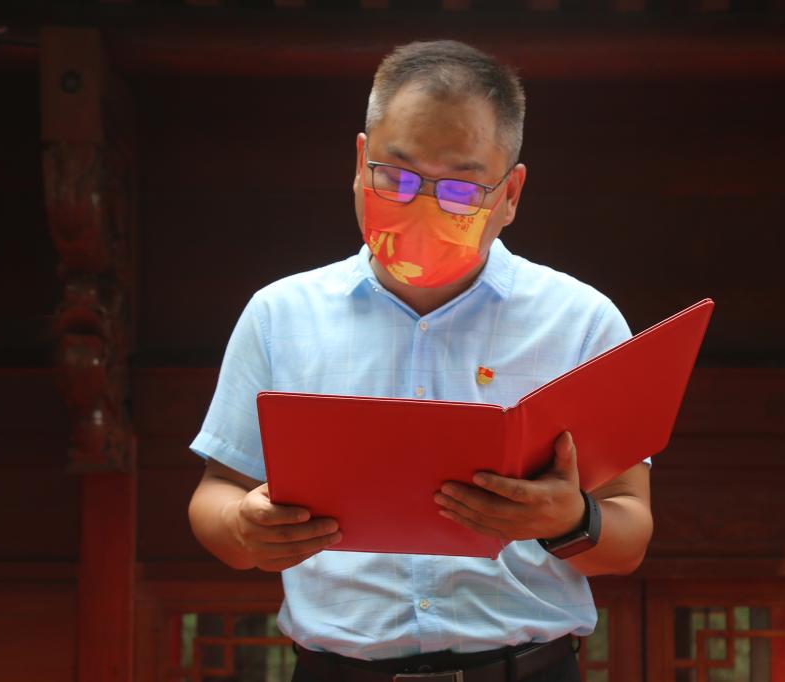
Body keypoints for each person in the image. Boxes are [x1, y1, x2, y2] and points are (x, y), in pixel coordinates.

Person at [187, 40, 653, 682]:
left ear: (510, 194)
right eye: (397, 176)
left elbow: (629, 535)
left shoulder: (580, 324)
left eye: (461, 188)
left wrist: (570, 519)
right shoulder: (280, 316)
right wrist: (244, 528)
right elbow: (217, 491)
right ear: (360, 162)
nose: (422, 205)